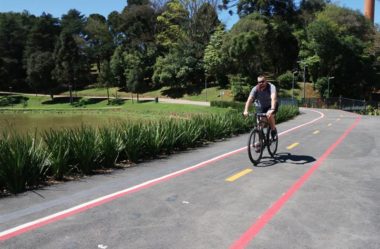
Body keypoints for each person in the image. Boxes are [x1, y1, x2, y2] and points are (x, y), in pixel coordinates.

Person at [243, 75, 278, 139]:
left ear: (266, 81)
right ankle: (261, 142)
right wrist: (246, 110)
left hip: (271, 105)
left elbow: (273, 98)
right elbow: (250, 99)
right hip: (261, 107)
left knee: (269, 115)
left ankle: (273, 130)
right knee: (260, 125)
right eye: (259, 82)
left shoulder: (271, 87)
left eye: (263, 81)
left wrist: (272, 108)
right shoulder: (255, 89)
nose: (261, 83)